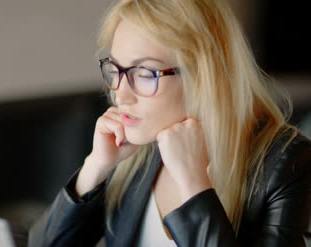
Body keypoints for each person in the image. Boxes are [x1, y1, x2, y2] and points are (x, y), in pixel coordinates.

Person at [28, 0, 311, 246]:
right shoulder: (137, 145)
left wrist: (194, 184)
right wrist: (95, 167)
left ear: (203, 75)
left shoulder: (286, 162)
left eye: (145, 73)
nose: (120, 93)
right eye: (116, 69)